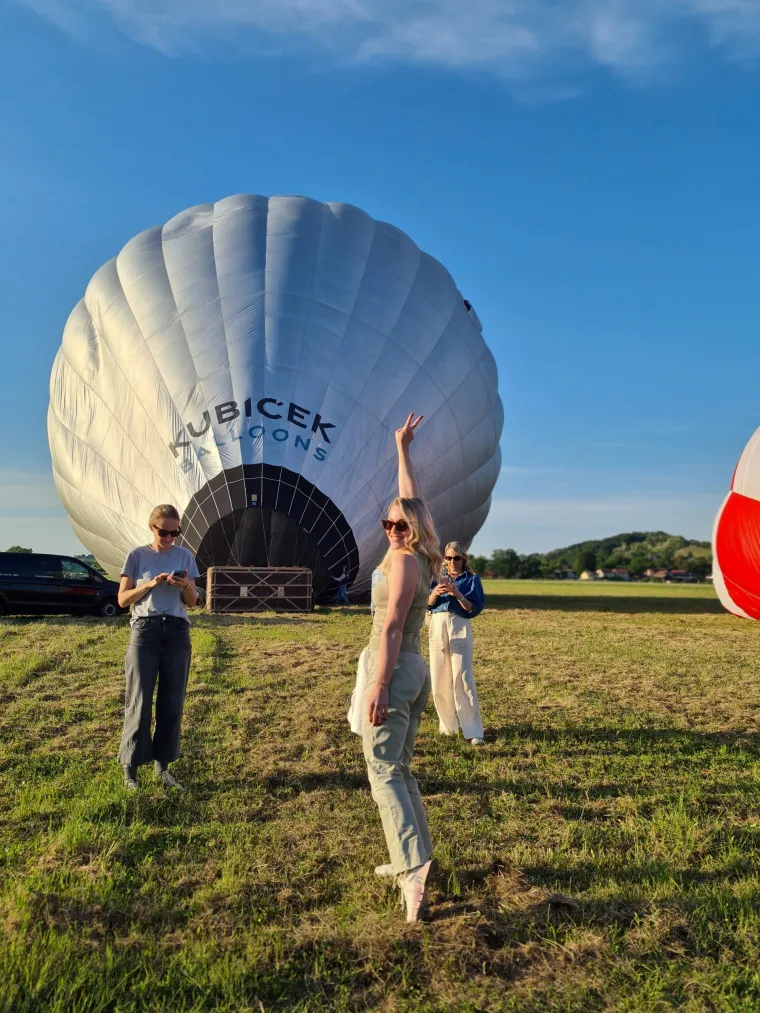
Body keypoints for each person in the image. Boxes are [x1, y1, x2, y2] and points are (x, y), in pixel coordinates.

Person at [363, 412, 443, 923]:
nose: (392, 529)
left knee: (383, 770)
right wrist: (402, 449)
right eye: (387, 522)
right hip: (412, 665)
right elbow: (410, 501)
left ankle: (411, 869)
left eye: (400, 525)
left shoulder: (407, 561)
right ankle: (414, 855)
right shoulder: (419, 552)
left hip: (395, 663)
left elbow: (392, 627)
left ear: (414, 530)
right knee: (400, 766)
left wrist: (379, 684)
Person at [117, 504, 199, 791]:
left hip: (177, 631)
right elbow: (123, 600)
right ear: (151, 528)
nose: (169, 538)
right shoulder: (137, 556)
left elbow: (192, 602)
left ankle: (162, 768)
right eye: (164, 532)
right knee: (139, 702)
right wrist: (151, 584)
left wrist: (185, 584)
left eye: (175, 532)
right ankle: (130, 771)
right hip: (146, 630)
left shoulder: (184, 555)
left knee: (172, 703)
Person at [427, 542, 485, 745]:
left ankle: (473, 729)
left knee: (463, 676)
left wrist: (458, 595)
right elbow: (427, 604)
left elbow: (474, 609)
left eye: (456, 558)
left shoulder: (472, 580)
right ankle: (447, 726)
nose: (452, 562)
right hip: (437, 623)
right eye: (449, 558)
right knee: (439, 675)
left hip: (459, 624)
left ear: (464, 559)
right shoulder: (435, 578)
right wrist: (434, 594)